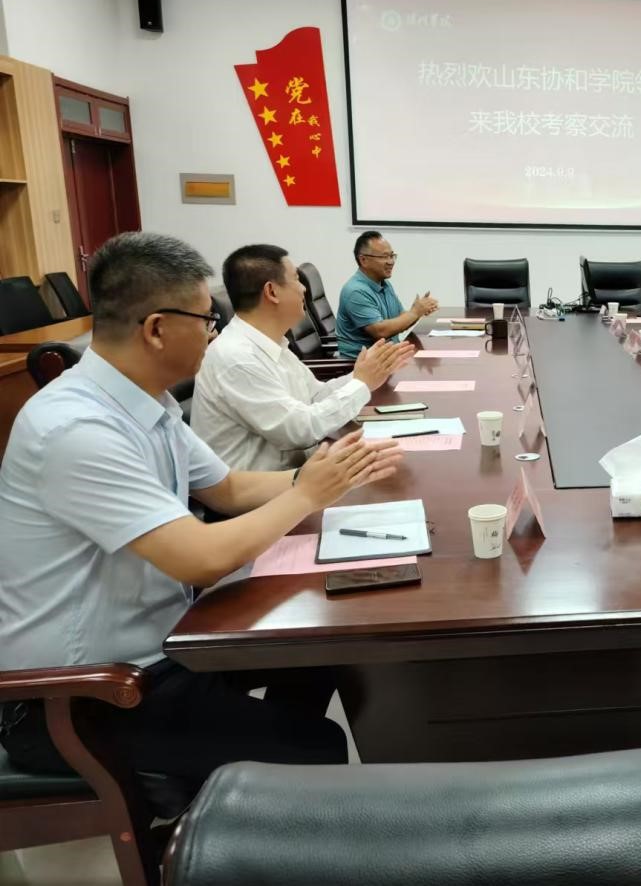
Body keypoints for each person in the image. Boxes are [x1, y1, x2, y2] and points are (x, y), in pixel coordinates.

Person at [0, 232, 402, 803]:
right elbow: (201, 558)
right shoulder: (76, 429)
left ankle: (252, 797)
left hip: (163, 650)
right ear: (156, 329)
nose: (214, 333)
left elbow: (229, 488)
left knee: (317, 655)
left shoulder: (149, 403)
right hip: (81, 698)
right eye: (206, 320)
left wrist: (331, 475)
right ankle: (244, 822)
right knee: (316, 746)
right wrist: (306, 495)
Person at [193, 244, 415, 471]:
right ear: (272, 292)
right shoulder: (238, 358)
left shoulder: (270, 344)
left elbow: (314, 395)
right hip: (270, 488)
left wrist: (362, 375)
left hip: (300, 474)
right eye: (296, 280)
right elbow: (300, 430)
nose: (304, 289)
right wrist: (361, 384)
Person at [335, 231, 438, 358]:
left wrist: (419, 310)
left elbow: (401, 319)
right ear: (363, 260)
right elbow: (380, 331)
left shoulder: (384, 284)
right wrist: (415, 312)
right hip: (362, 364)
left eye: (392, 256)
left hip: (388, 357)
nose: (391, 262)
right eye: (384, 257)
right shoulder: (355, 291)